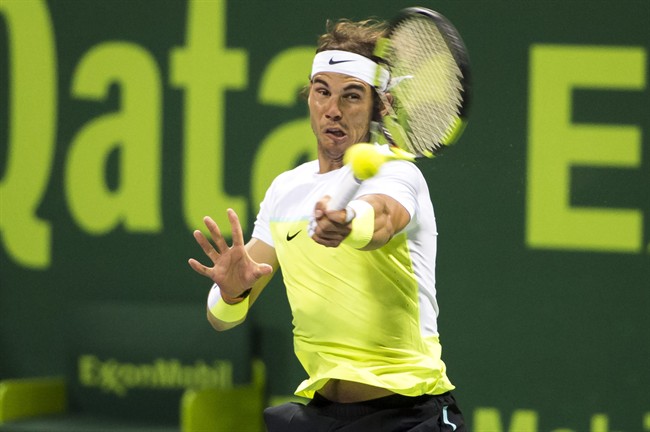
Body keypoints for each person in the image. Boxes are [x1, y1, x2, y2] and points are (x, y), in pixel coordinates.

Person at [188, 17, 466, 432]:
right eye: (322, 92)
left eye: (352, 96)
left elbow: (382, 218)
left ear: (381, 106)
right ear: (310, 98)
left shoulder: (396, 172)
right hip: (319, 413)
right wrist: (231, 293)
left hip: (407, 414)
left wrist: (349, 224)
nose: (333, 110)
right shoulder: (285, 189)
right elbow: (222, 320)